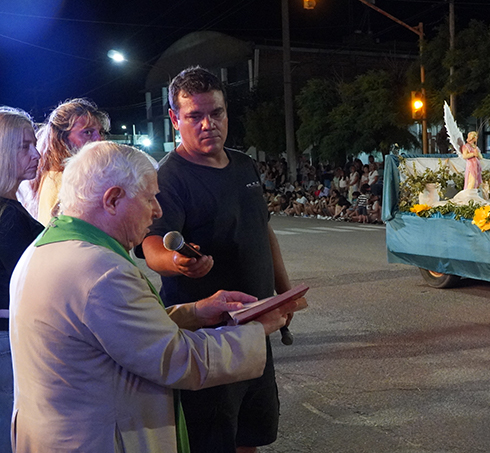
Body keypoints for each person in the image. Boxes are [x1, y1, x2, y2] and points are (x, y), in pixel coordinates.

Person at [9, 141, 304, 452]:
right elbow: (177, 358)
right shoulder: (100, 271)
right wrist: (257, 329)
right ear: (113, 200)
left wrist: (195, 312)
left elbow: (120, 331)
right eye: (149, 198)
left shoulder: (50, 245)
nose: (158, 211)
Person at [140, 67, 297, 453]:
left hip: (257, 325)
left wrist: (285, 290)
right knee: (213, 436)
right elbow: (152, 245)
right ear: (176, 119)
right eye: (195, 116)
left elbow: (263, 230)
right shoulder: (169, 177)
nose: (209, 124)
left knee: (252, 432)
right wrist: (177, 263)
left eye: (217, 113)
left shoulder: (244, 165)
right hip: (209, 339)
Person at [0, 107, 42, 453]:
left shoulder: (11, 207)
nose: (37, 154)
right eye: (25, 146)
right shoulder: (9, 216)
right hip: (7, 347)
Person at [21, 98, 108, 224]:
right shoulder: (65, 181)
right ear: (62, 139)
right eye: (87, 132)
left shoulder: (56, 175)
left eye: (101, 132)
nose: (99, 139)